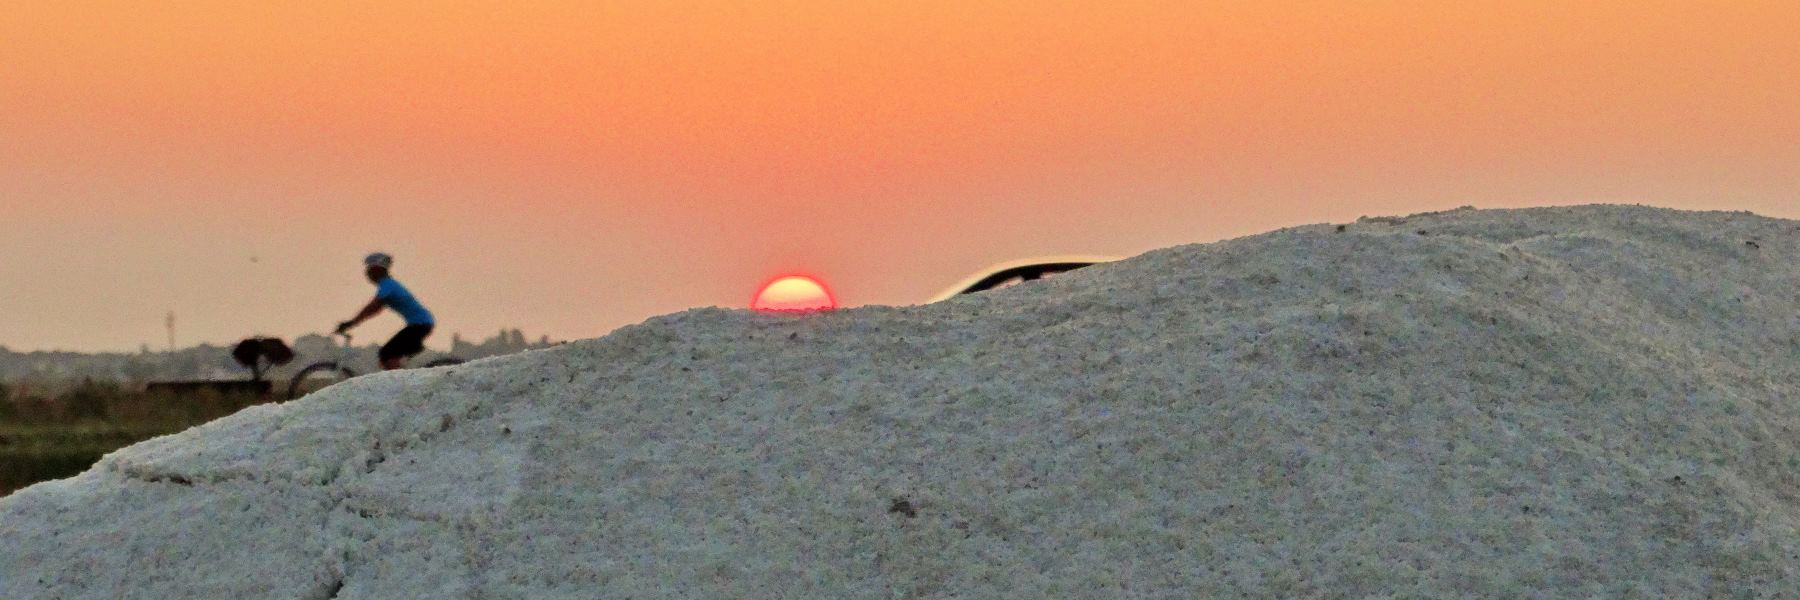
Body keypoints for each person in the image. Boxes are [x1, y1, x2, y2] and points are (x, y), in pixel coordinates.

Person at [337, 252, 436, 370]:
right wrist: (354, 322)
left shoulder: (387, 285)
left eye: (369, 270)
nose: (367, 274)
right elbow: (375, 309)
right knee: (389, 355)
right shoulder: (388, 285)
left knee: (387, 354)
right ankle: (400, 377)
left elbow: (372, 307)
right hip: (421, 323)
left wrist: (351, 323)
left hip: (420, 324)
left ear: (378, 270)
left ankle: (399, 385)